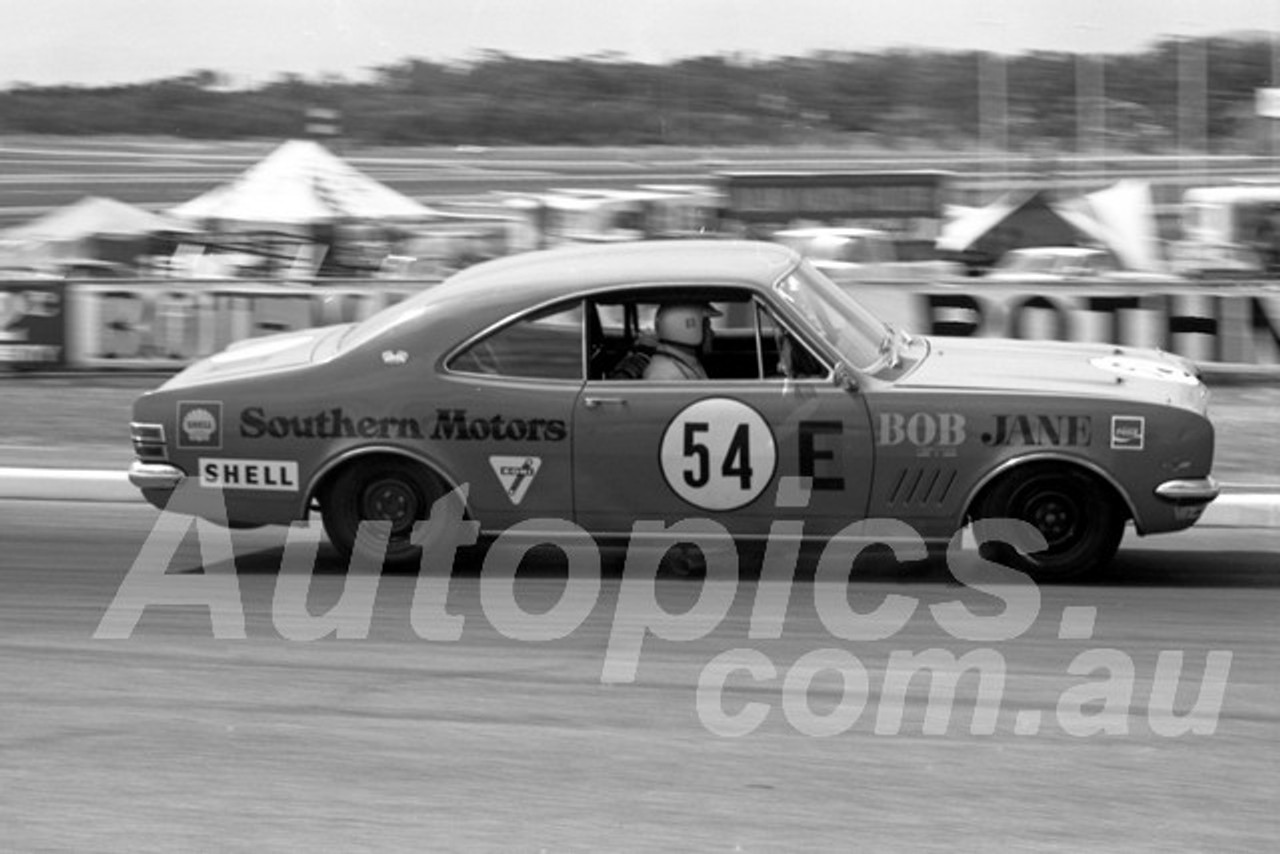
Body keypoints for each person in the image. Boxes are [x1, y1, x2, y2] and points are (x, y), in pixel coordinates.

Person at [643, 302, 720, 380]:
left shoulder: (685, 361)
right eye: (708, 327)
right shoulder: (664, 375)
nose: (712, 333)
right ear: (689, 329)